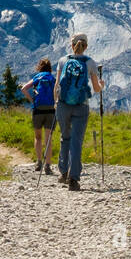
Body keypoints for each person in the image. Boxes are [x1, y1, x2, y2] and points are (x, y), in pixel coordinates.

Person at [54, 34, 104, 191]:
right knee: (77, 141)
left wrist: (56, 103)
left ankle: (63, 172)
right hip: (81, 106)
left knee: (65, 137)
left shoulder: (63, 61)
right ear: (86, 46)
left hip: (63, 105)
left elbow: (57, 86)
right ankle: (74, 179)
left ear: (72, 45)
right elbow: (96, 89)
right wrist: (102, 85)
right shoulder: (89, 62)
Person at [21, 58, 56, 173]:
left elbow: (24, 89)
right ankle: (48, 166)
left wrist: (32, 101)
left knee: (38, 137)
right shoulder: (52, 78)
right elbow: (58, 91)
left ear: (39, 67)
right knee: (48, 139)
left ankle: (39, 162)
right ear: (50, 68)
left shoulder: (37, 77)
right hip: (51, 110)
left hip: (38, 110)